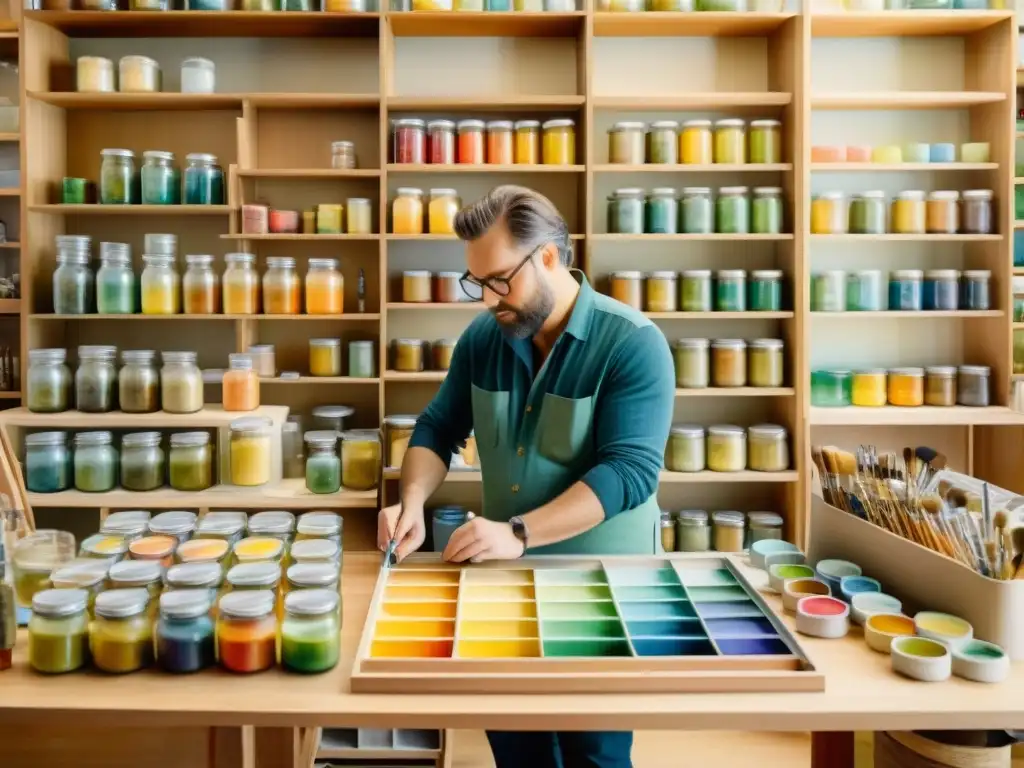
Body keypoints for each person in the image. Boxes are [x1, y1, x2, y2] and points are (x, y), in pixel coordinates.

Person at [377, 185, 675, 768]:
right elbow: (438, 428)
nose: (488, 299)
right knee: (517, 750)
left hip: (601, 589)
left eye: (498, 280)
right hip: (502, 583)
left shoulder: (633, 343)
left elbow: (629, 473)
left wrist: (517, 532)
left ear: (547, 256)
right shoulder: (486, 338)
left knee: (596, 755)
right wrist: (411, 502)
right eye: (477, 283)